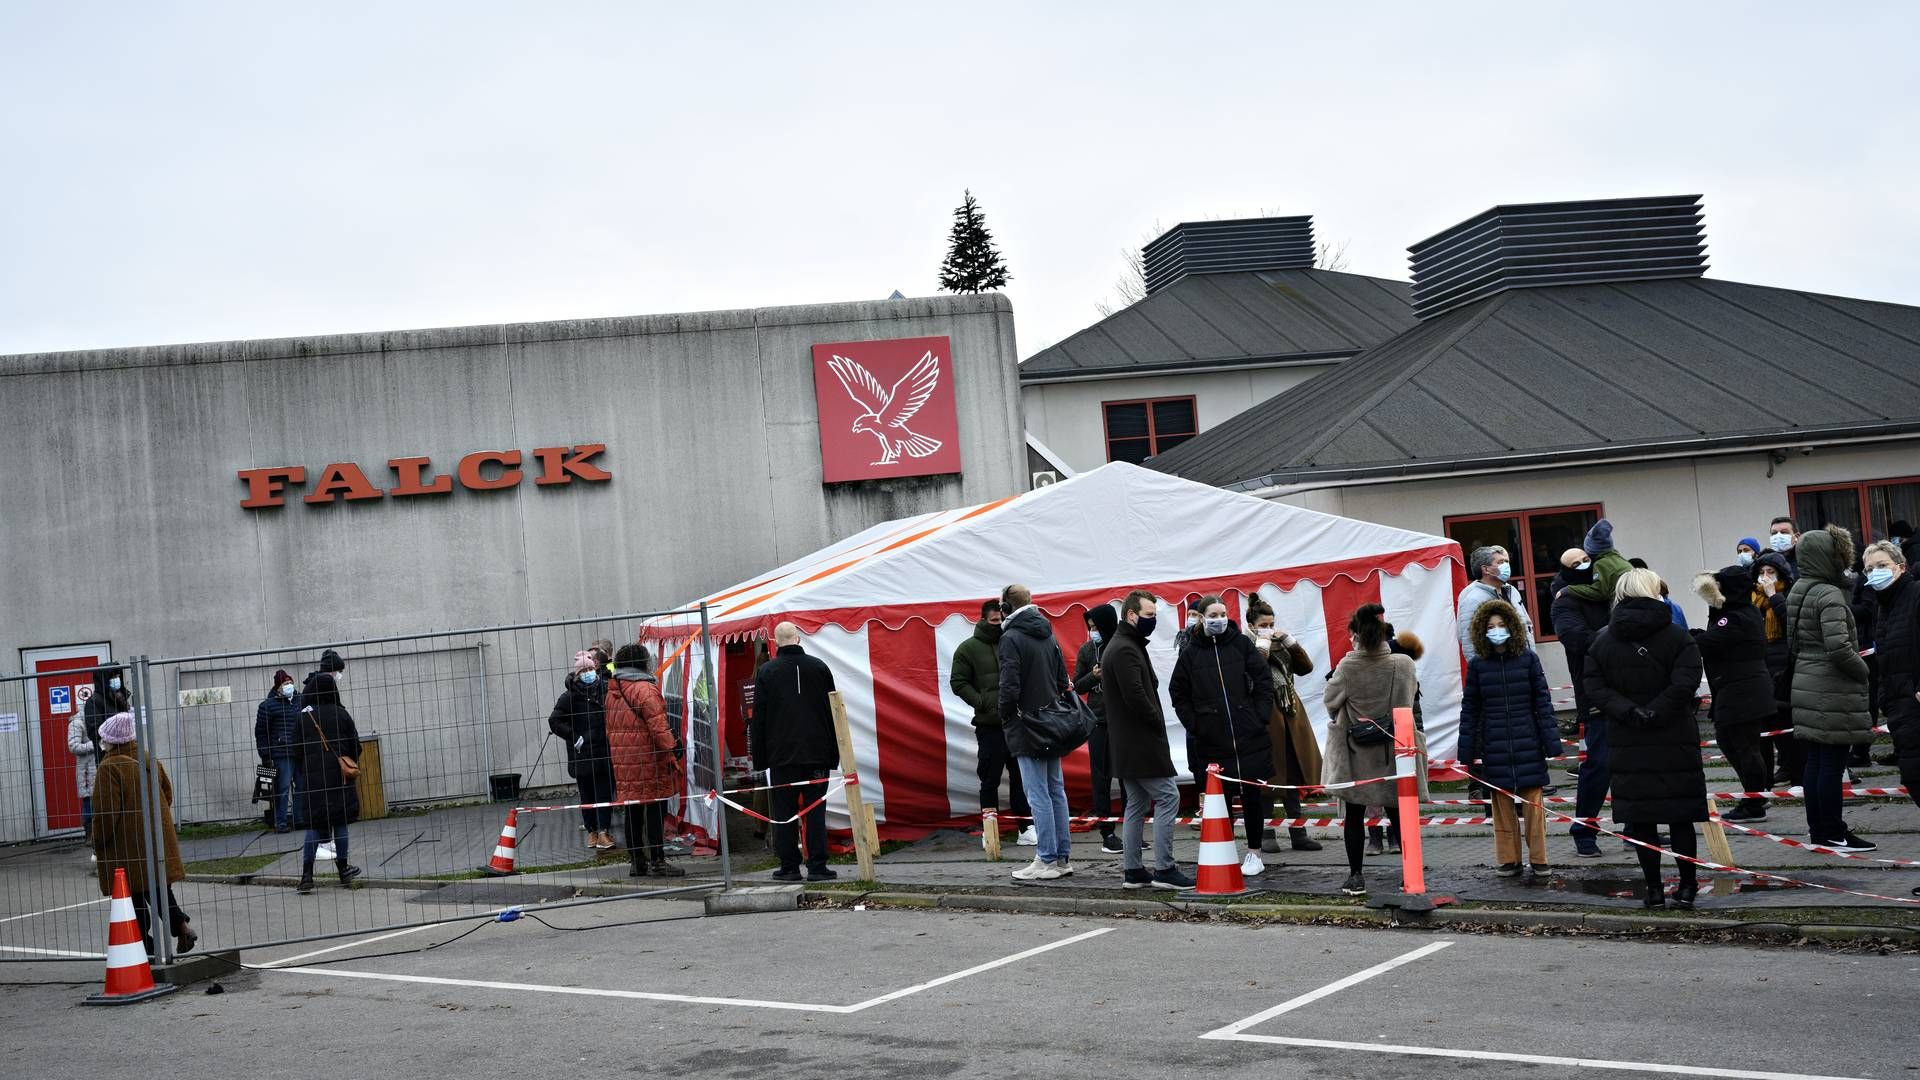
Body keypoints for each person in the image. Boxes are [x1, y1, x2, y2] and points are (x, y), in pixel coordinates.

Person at [1583, 568, 1709, 909]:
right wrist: (1658, 710)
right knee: (1681, 816)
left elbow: (1594, 686)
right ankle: (1687, 886)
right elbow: (1687, 680)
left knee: (1642, 820)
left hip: (1628, 739)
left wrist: (1629, 711)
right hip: (1675, 736)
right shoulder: (1678, 636)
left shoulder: (1602, 640)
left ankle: (1653, 890)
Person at [1458, 599, 1562, 884]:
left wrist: (1552, 742)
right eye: (1491, 626)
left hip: (1527, 740)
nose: (1496, 630)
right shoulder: (1478, 665)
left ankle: (1540, 860)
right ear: (1482, 631)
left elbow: (1543, 702)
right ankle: (1508, 859)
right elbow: (1471, 709)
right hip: (1495, 743)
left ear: (1512, 627)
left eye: (1501, 625)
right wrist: (1465, 750)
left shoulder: (1529, 659)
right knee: (1501, 807)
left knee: (1534, 807)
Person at [1787, 526, 1877, 852]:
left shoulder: (1799, 588)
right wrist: (1863, 670)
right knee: (1832, 764)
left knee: (1815, 761)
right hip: (1832, 687)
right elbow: (1839, 648)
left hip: (1806, 681)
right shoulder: (1829, 594)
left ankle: (1819, 830)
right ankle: (1835, 832)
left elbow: (1794, 642)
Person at [1171, 595, 1276, 876]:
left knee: (1252, 795)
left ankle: (1255, 853)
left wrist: (1260, 715)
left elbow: (1263, 680)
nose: (1219, 618)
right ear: (1202, 618)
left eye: (1223, 613)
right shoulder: (1191, 653)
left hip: (1249, 734)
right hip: (1212, 737)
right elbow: (1178, 693)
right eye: (1213, 614)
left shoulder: (1242, 644)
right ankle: (1225, 850)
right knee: (1222, 799)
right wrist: (1196, 725)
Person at [1323, 603, 1422, 897]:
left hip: (1355, 752)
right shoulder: (1403, 664)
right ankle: (1410, 872)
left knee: (1354, 814)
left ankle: (1355, 876)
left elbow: (1331, 701)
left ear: (1355, 635)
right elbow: (1407, 702)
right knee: (1398, 812)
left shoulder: (1347, 666)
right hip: (1394, 750)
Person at [1101, 591, 1194, 889]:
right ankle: (1165, 869)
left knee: (1136, 803)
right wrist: (1157, 721)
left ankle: (1134, 870)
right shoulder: (1126, 648)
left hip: (1128, 743)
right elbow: (1136, 697)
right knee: (1168, 796)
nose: (1152, 621)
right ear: (1131, 615)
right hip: (1140, 741)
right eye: (1149, 615)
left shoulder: (1122, 644)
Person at [89, 711, 197, 956]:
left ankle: (145, 948)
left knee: (131, 898)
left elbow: (105, 814)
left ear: (111, 740)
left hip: (125, 847)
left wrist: (98, 841)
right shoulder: (149, 760)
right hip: (157, 842)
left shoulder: (109, 768)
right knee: (159, 889)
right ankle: (182, 927)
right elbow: (167, 795)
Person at [750, 623, 839, 882]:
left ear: (776, 643)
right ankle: (817, 865)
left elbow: (760, 719)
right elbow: (833, 711)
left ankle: (789, 866)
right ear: (799, 638)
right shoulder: (820, 668)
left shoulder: (767, 672)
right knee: (816, 810)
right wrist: (834, 754)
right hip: (817, 753)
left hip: (782, 755)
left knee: (784, 812)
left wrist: (760, 759)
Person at [997, 583, 1074, 881]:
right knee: (1056, 789)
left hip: (1026, 723)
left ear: (1006, 607)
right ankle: (1061, 857)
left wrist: (1006, 715)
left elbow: (1009, 686)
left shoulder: (1011, 637)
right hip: (1051, 719)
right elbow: (1060, 678)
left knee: (1038, 792)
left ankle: (1046, 858)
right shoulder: (1047, 632)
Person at [1692, 567, 1776, 823]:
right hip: (1735, 688)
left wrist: (1689, 635)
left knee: (1744, 746)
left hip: (1742, 691)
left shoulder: (1736, 616)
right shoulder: (1735, 613)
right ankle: (1756, 795)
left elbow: (1709, 642)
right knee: (1731, 742)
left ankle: (1755, 802)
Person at [951, 599, 1032, 847]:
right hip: (989, 725)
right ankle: (990, 829)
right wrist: (982, 701)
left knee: (1021, 777)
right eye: (994, 620)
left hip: (1016, 722)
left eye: (1001, 620)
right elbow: (958, 682)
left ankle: (1026, 828)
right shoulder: (968, 649)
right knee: (990, 778)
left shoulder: (1014, 642)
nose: (998, 625)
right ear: (984, 619)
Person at [1246, 597, 1322, 854]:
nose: (1269, 627)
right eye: (1264, 624)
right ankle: (1267, 834)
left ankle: (1298, 832)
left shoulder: (1280, 644)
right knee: (1268, 777)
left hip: (1290, 713)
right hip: (1266, 717)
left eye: (1272, 623)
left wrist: (1291, 642)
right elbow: (1251, 672)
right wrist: (1262, 647)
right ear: (1251, 625)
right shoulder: (1245, 644)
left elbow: (1305, 668)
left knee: (1293, 773)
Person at [606, 643, 686, 877]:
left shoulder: (613, 691)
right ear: (642, 663)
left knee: (632, 812)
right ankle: (658, 862)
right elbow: (659, 728)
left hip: (623, 762)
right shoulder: (645, 690)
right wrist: (673, 749)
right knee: (654, 811)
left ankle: (636, 861)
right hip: (649, 760)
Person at [1862, 542, 1920, 827]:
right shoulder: (1883, 606)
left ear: (1901, 566)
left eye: (1882, 566)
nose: (1876, 572)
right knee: (1912, 772)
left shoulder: (1915, 594)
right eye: (1870, 568)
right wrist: (1885, 696)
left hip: (1913, 699)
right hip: (1898, 704)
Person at [294, 671, 362, 893]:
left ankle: (307, 875)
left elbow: (295, 750)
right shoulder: (341, 714)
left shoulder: (304, 717)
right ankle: (343, 870)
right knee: (340, 821)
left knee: (314, 824)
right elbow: (355, 744)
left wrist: (305, 769)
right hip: (339, 778)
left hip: (313, 780)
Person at [549, 649, 616, 851]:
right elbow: (555, 721)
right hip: (583, 754)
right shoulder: (569, 697)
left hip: (604, 751)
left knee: (604, 794)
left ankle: (604, 830)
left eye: (590, 668)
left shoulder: (606, 689)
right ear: (577, 674)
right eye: (583, 670)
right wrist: (573, 736)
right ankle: (592, 831)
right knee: (587, 795)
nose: (587, 672)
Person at [1074, 603, 1123, 854]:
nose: (1093, 632)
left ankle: (1131, 829)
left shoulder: (1122, 645)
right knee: (1100, 776)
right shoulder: (1086, 650)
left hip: (1123, 720)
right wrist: (1093, 676)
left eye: (1096, 627)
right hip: (1098, 720)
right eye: (1089, 627)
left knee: (1128, 775)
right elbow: (1076, 686)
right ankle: (1107, 833)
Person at [1753, 550, 1801, 786]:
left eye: (1770, 572)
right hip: (1763, 665)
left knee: (1785, 720)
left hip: (1783, 663)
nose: (1765, 577)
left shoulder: (1788, 594)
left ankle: (1795, 769)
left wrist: (1774, 597)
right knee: (1767, 723)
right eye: (1761, 573)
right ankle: (1777, 771)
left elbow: (1790, 622)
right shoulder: (1754, 599)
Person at [1456, 546, 1533, 656]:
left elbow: (1527, 625)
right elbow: (1469, 643)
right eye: (1501, 562)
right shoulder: (1473, 599)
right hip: (1496, 668)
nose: (1506, 565)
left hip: (1524, 663)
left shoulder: (1512, 591)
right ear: (1486, 569)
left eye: (1507, 561)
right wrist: (1483, 671)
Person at [254, 670, 300, 833]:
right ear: (278, 686)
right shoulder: (268, 705)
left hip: (299, 751)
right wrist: (265, 754)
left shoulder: (299, 700)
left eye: (290, 683)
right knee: (282, 788)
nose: (289, 686)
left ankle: (299, 819)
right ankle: (280, 823)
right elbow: (261, 732)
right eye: (285, 684)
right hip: (281, 753)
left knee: (302, 787)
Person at [1563, 519, 1633, 610]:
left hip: (1625, 607)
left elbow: (1599, 592)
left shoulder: (1601, 563)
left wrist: (1569, 589)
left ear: (1591, 549)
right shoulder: (1618, 558)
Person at [81, 664, 131, 766]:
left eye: (117, 676)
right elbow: (94, 732)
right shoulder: (94, 702)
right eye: (112, 677)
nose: (116, 679)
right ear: (103, 680)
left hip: (127, 752)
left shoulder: (120, 697)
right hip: (108, 757)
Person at [64, 707, 98, 843]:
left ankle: (101, 835)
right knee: (89, 803)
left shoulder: (99, 718)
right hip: (87, 772)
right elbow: (73, 746)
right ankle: (89, 836)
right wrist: (94, 744)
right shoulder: (77, 723)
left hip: (100, 767)